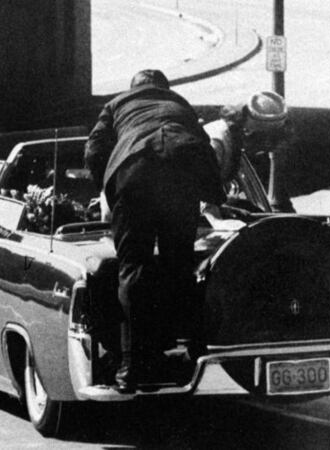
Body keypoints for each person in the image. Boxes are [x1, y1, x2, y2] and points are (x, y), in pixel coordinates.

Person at [85, 69, 225, 392]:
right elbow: (204, 149)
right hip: (181, 176)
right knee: (181, 267)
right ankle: (193, 357)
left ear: (134, 88)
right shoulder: (180, 104)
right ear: (164, 88)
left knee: (133, 270)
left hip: (134, 175)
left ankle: (130, 368)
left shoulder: (117, 104)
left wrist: (108, 189)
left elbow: (93, 151)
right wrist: (216, 197)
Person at [204, 91, 296, 213]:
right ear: (247, 132)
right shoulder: (216, 141)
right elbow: (199, 186)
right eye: (263, 141)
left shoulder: (232, 139)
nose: (262, 149)